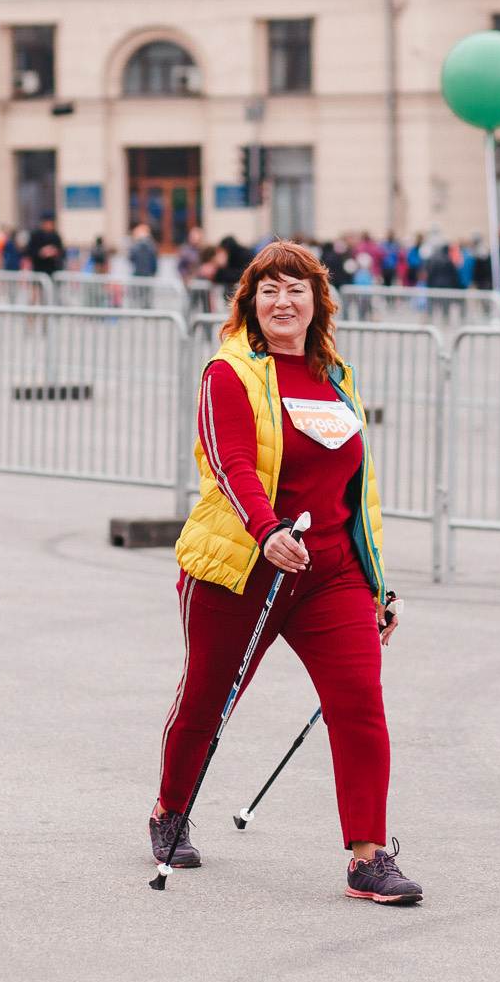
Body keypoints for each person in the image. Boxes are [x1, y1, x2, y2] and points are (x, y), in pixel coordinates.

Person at [155, 241, 417, 904]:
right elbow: (231, 461)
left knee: (359, 702)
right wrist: (266, 531)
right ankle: (170, 810)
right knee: (208, 700)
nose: (282, 301)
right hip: (243, 565)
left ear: (316, 303)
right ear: (250, 302)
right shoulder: (229, 372)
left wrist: (378, 581)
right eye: (268, 289)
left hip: (331, 572)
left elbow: (359, 489)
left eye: (296, 289)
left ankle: (369, 855)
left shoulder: (335, 376)